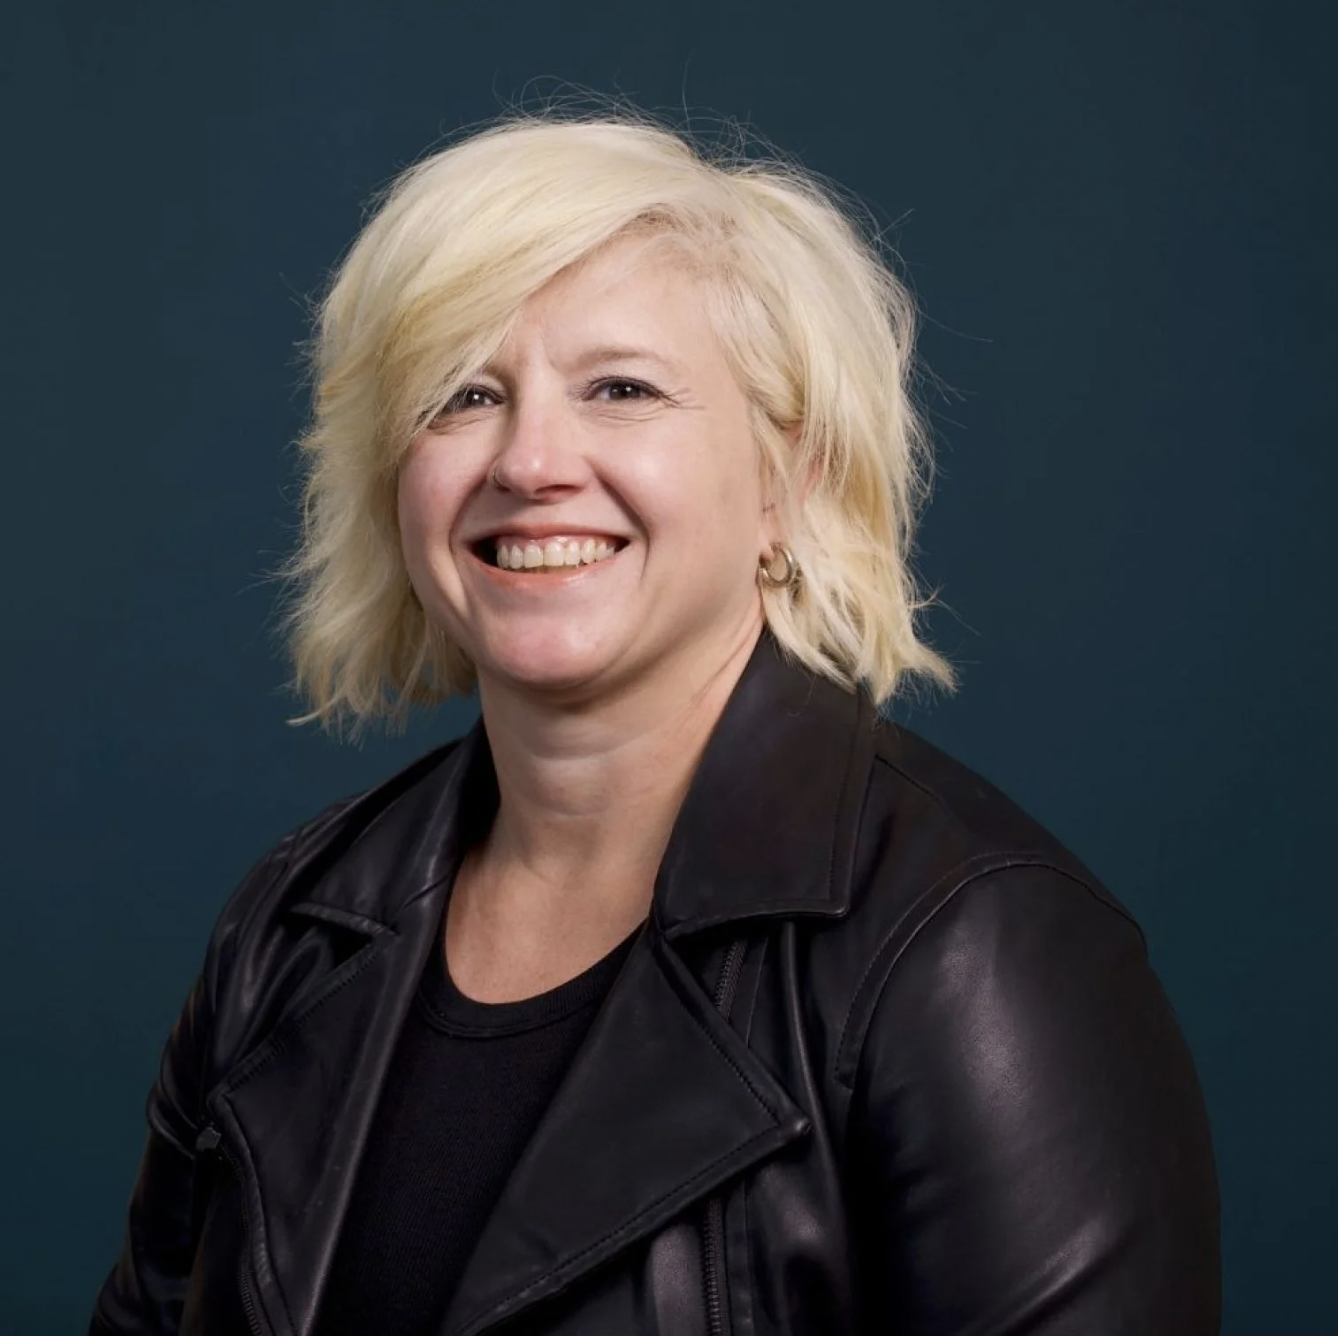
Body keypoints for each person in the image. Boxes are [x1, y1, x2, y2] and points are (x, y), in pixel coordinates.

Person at [90, 111, 1220, 1336]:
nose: (530, 461)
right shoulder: (289, 927)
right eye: (462, 394)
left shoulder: (976, 955)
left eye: (620, 389)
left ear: (788, 481)